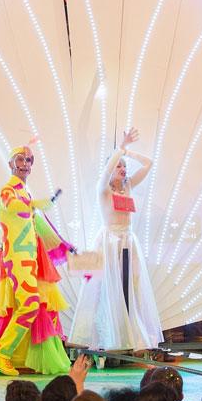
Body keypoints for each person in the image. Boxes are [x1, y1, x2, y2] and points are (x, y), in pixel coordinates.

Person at [0, 145, 72, 376]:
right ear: (10, 164)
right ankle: (2, 354)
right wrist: (36, 204)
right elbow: (15, 208)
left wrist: (63, 245)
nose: (26, 163)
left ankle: (15, 357)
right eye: (21, 159)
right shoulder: (7, 190)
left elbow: (39, 226)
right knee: (30, 305)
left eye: (29, 160)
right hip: (16, 259)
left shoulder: (25, 193)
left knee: (30, 306)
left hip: (29, 259)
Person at [69, 128, 163, 353]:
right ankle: (108, 337)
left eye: (124, 167)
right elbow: (107, 171)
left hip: (128, 241)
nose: (122, 169)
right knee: (106, 290)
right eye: (118, 166)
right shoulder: (103, 190)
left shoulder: (128, 186)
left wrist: (128, 154)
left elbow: (148, 164)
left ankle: (131, 336)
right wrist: (120, 150)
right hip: (109, 242)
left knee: (131, 287)